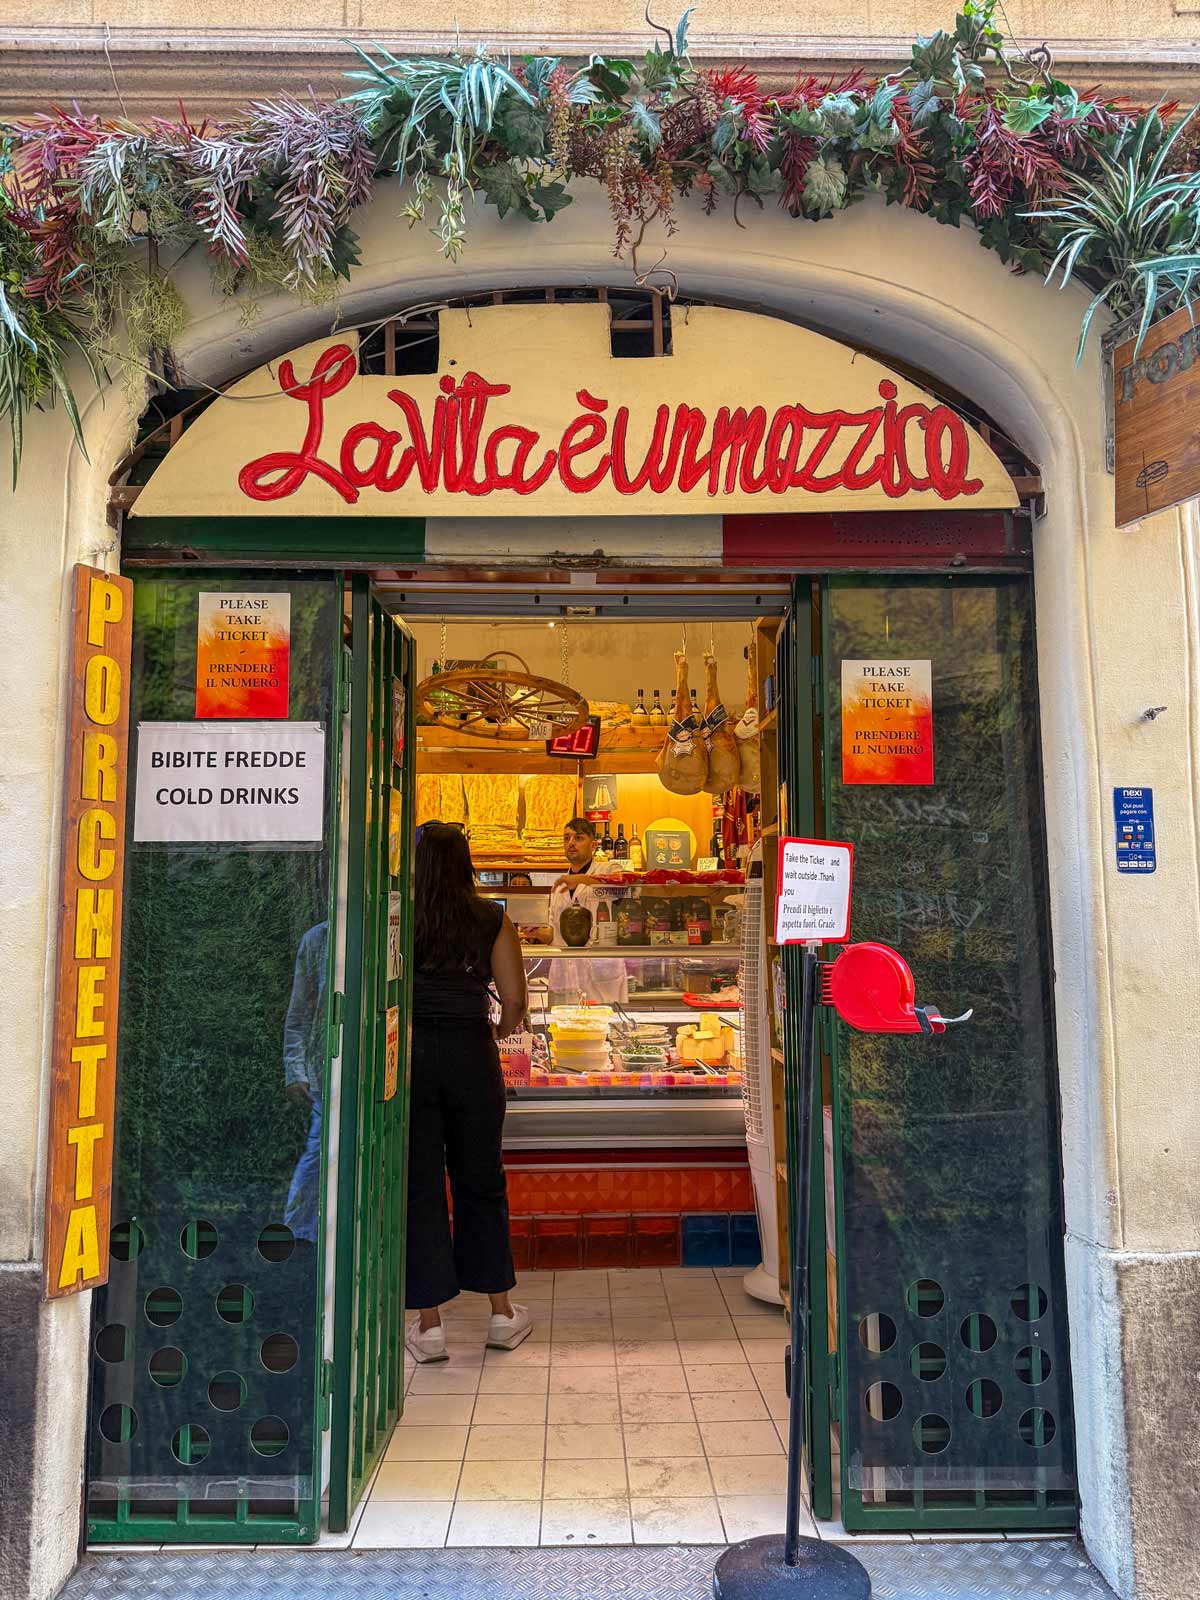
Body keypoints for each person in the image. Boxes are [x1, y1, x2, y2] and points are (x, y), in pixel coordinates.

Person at [405, 822, 532, 1363]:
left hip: (410, 1056)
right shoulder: (493, 919)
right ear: (465, 862)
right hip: (471, 1055)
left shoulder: (399, 915)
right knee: (481, 1181)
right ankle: (502, 1315)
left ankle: (429, 1326)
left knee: (421, 1185)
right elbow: (516, 1005)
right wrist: (494, 1033)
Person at [547, 817, 630, 1007]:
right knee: (565, 1030)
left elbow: (625, 883)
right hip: (564, 974)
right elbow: (553, 933)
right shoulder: (558, 886)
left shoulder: (608, 868)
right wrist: (533, 932)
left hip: (600, 971)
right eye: (566, 838)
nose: (571, 843)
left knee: (603, 1029)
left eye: (578, 838)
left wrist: (581, 880)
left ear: (593, 845)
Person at [282, 921, 327, 1246]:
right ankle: (298, 1235)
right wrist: (296, 1069)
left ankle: (299, 1231)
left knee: (318, 1151)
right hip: (328, 1071)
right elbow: (299, 1013)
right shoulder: (317, 939)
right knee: (318, 1152)